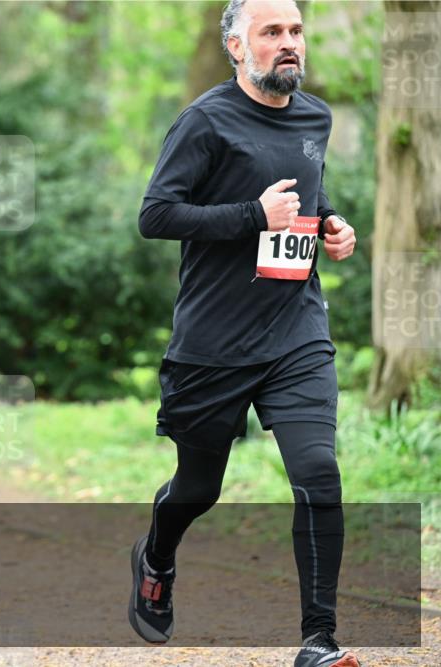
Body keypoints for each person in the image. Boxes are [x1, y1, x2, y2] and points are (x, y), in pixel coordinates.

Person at [128, 2, 359, 666]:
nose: (289, 44)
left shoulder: (315, 117)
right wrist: (252, 214)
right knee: (198, 488)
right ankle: (157, 553)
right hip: (215, 342)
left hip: (295, 331)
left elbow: (309, 197)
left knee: (317, 472)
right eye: (271, 33)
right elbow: (156, 215)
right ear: (236, 46)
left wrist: (333, 224)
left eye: (295, 31)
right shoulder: (205, 121)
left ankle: (319, 639)